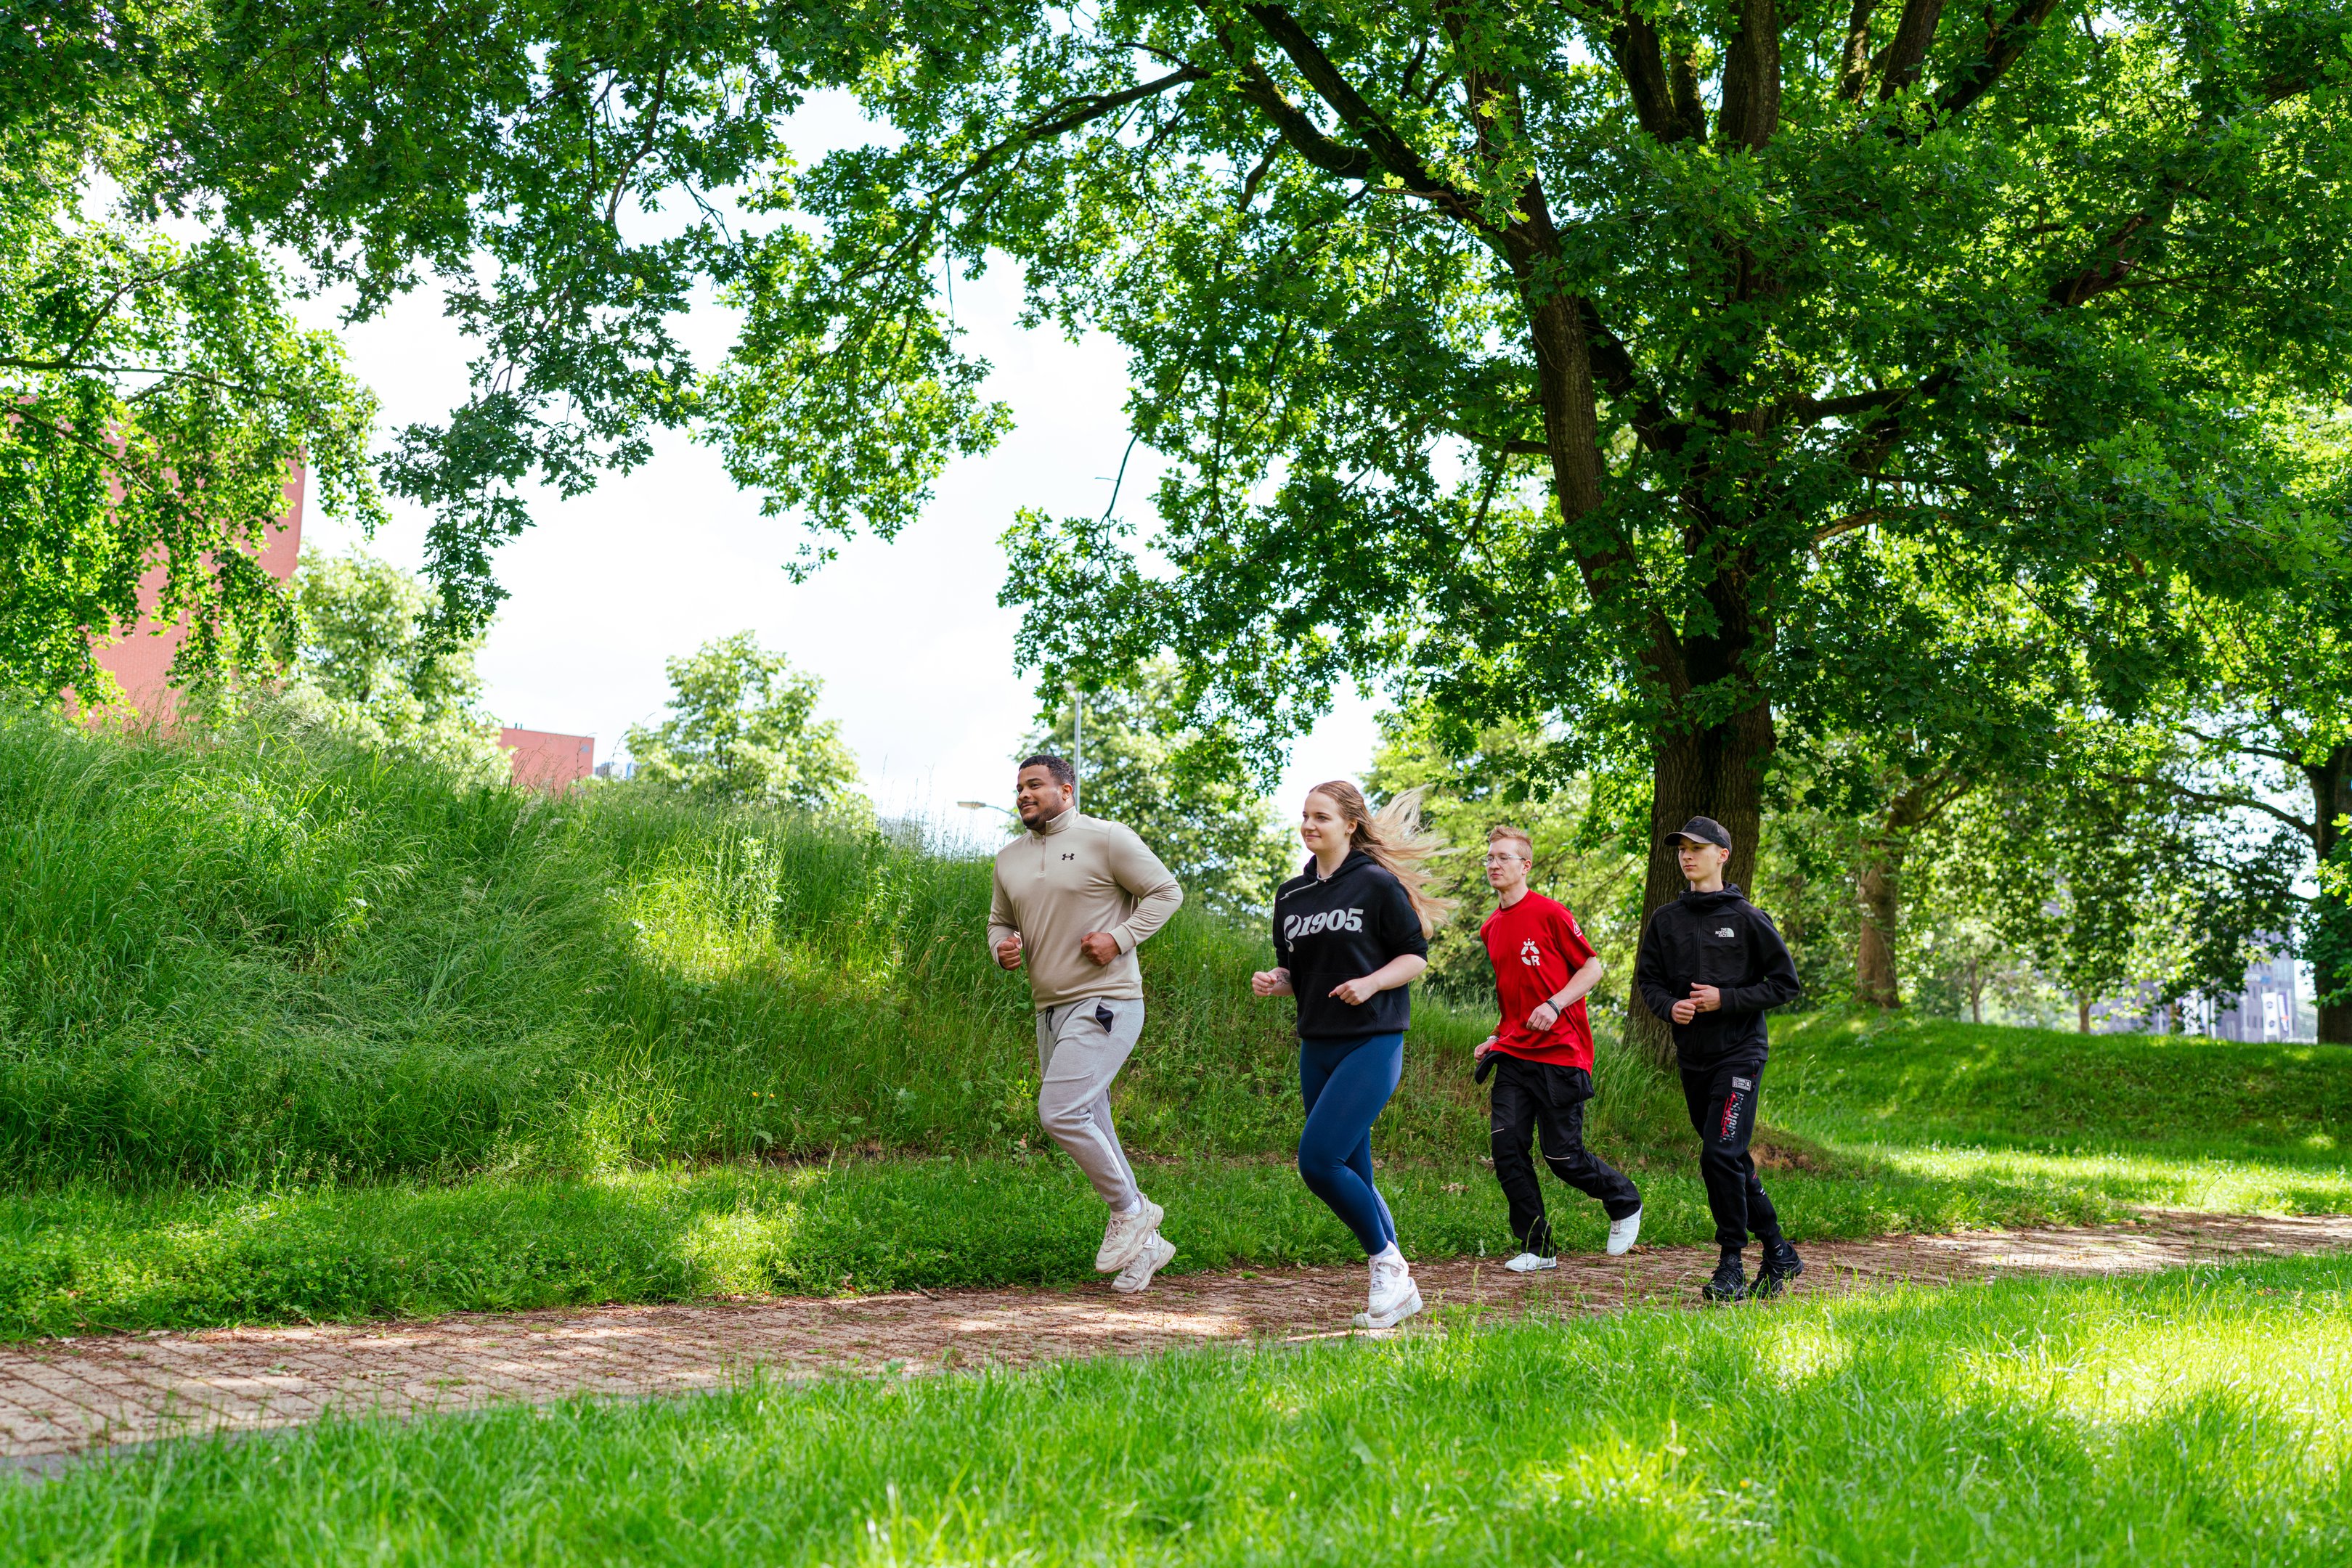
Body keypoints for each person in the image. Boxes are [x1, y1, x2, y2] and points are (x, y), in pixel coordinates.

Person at [1250, 781, 1452, 1330]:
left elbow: (1414, 958)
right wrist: (1278, 980)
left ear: (1349, 825)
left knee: (1318, 1162)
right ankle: (1397, 1288)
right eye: (1304, 816)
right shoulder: (1291, 895)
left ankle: (1388, 1266)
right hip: (1316, 1044)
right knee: (1354, 1172)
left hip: (1372, 1037)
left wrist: (1370, 983)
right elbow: (1299, 971)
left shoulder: (1375, 884)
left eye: (1321, 817)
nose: (1309, 825)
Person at [988, 754, 1184, 1293]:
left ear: (1066, 791)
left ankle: (1132, 1210)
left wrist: (1120, 938)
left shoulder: (1106, 839)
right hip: (1048, 1007)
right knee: (1093, 1118)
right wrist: (1002, 947)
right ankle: (1147, 1247)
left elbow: (1167, 892)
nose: (1024, 794)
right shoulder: (1008, 859)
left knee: (1060, 1112)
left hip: (1106, 999)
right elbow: (1000, 921)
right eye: (1019, 787)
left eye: (1035, 785)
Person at [1633, 815, 1804, 1304]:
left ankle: (1731, 1262)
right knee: (1727, 1158)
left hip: (1740, 1054)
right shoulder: (1665, 921)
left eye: (1697, 847)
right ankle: (1778, 1250)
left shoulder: (1748, 918)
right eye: (1681, 848)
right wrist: (1672, 1007)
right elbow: (1648, 983)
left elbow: (1784, 985)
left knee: (1718, 1154)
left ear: (1721, 855)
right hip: (1694, 1060)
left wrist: (1723, 1000)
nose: (1686, 855)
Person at [1470, 825, 1643, 1270]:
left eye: (1503, 857)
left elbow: (1592, 968)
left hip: (1560, 1052)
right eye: (1489, 857)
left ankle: (1623, 1199)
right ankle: (1537, 1247)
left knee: (1563, 1156)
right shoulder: (1491, 927)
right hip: (1513, 1053)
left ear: (1525, 865)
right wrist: (1497, 1035)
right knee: (1507, 1146)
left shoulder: (1550, 913)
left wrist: (1554, 1003)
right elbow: (1513, 995)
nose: (1493, 864)